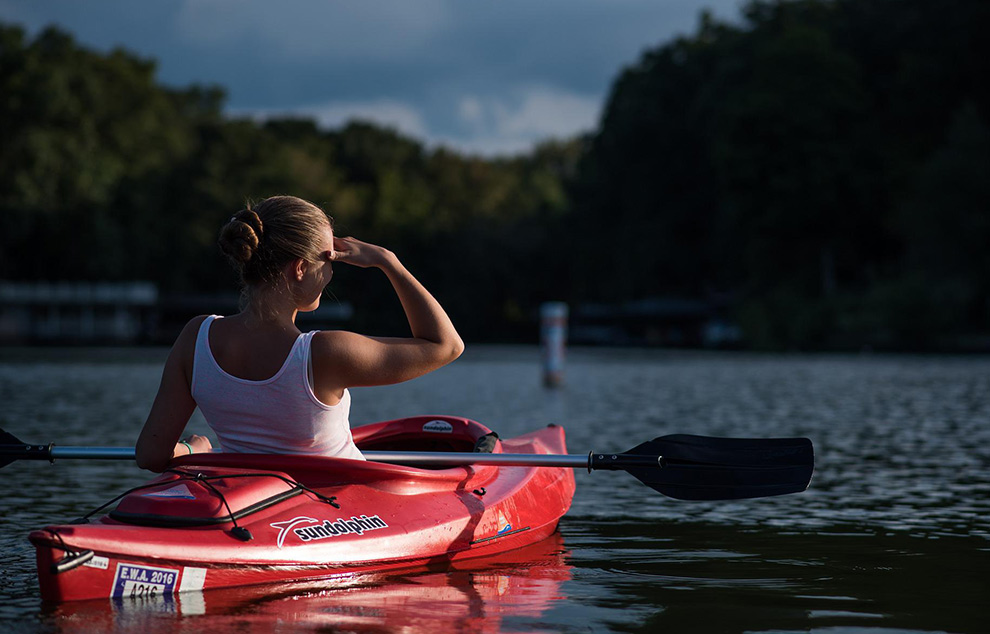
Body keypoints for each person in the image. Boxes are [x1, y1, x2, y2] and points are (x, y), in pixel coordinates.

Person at [135, 195, 464, 472]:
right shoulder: (325, 352)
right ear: (301, 269)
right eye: (330, 258)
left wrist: (196, 453)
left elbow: (151, 455)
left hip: (254, 508)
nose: (332, 270)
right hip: (337, 516)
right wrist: (388, 262)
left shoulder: (196, 337)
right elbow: (446, 345)